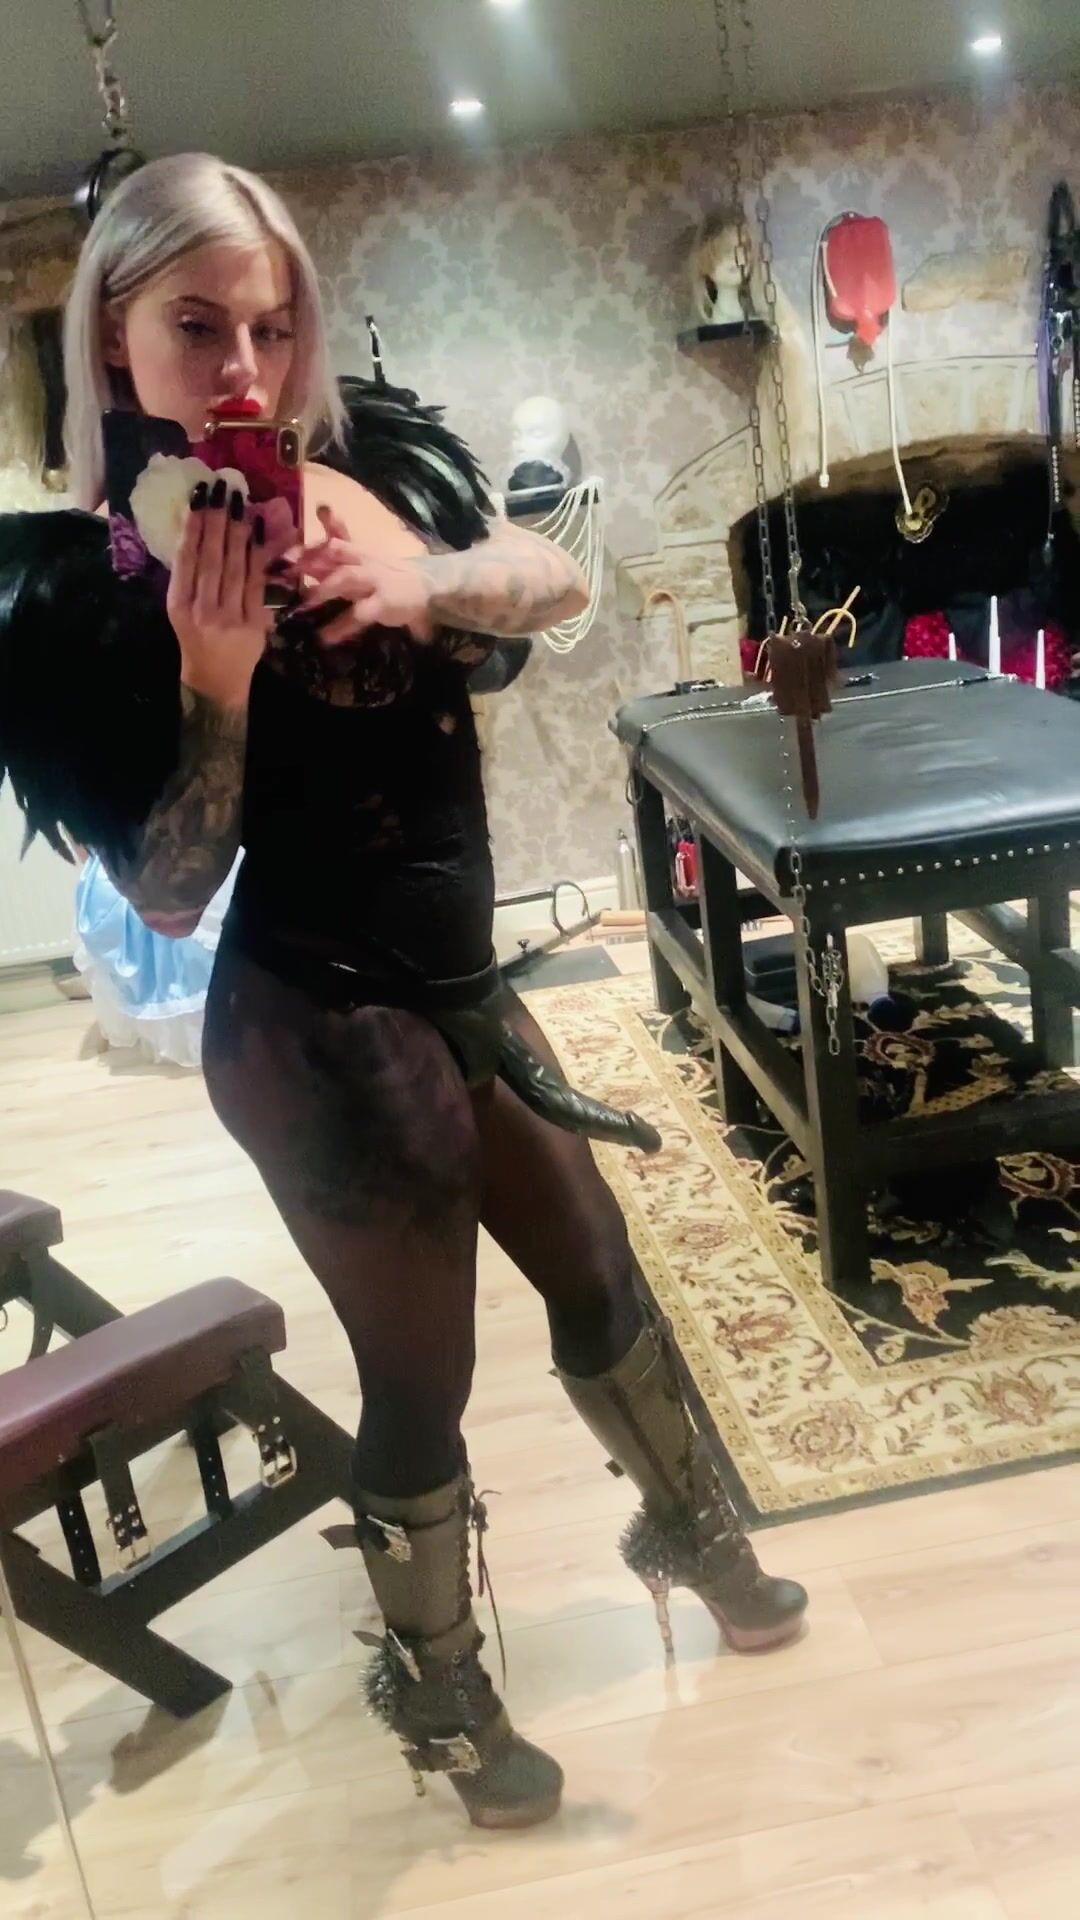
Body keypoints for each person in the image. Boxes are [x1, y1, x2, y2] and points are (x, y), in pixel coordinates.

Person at [0, 152, 806, 1831]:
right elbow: (167, 889)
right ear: (113, 339)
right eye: (196, 327)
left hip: (456, 976)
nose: (245, 369)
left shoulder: (366, 458)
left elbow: (552, 586)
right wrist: (216, 683)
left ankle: (696, 1539)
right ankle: (438, 1698)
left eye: (272, 325)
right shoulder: (100, 580)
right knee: (421, 1377)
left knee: (602, 1275)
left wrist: (422, 584)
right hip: (310, 1020)